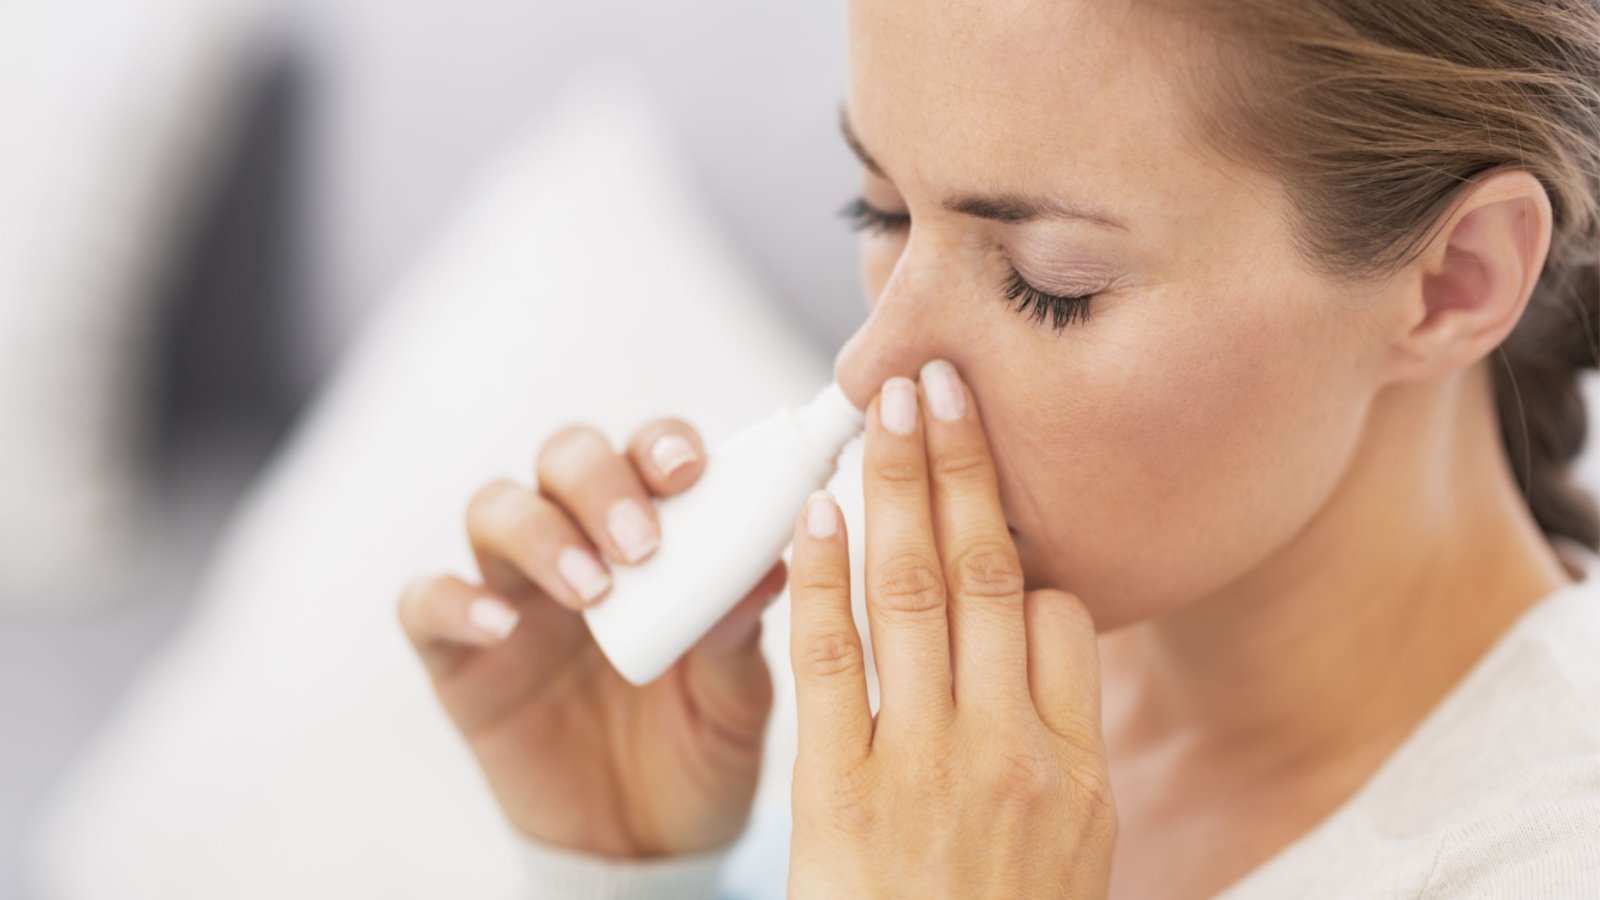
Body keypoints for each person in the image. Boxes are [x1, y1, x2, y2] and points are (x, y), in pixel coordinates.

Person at [395, 0, 1600, 895]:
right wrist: (626, 871)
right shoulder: (922, 733)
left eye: (1047, 283)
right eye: (879, 210)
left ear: (1455, 280)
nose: (867, 367)